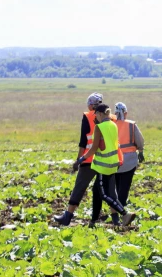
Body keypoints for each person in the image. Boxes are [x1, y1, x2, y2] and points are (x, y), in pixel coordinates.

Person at [70, 104, 135, 228]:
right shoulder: (113, 125)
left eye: (96, 115)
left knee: (104, 194)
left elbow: (93, 149)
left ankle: (125, 214)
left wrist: (80, 159)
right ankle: (94, 221)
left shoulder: (99, 127)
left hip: (102, 166)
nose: (96, 118)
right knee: (99, 191)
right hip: (113, 164)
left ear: (100, 114)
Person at [54, 92, 107, 225]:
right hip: (107, 160)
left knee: (79, 188)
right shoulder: (111, 117)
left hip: (89, 159)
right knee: (105, 191)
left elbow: (83, 141)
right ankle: (112, 218)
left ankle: (68, 216)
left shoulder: (88, 116)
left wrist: (79, 159)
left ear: (90, 106)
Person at [112, 102, 145, 208]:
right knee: (125, 186)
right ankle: (121, 207)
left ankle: (115, 207)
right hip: (129, 160)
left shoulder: (110, 125)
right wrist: (140, 151)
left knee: (115, 185)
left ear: (115, 113)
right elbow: (140, 140)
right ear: (125, 113)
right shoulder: (131, 124)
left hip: (114, 159)